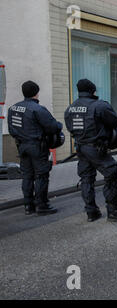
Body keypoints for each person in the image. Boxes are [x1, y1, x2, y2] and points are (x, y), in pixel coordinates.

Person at [64, 79, 117, 222]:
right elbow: (116, 121)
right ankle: (113, 211)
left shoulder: (70, 108)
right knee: (111, 173)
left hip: (81, 148)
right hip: (96, 148)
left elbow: (70, 128)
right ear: (93, 91)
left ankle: (91, 212)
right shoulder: (99, 106)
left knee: (86, 179)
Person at [7, 81, 63, 215]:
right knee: (41, 176)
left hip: (22, 146)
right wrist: (59, 125)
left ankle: (28, 206)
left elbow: (11, 129)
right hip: (37, 146)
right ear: (36, 93)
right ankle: (42, 205)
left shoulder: (13, 108)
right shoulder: (38, 109)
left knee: (27, 176)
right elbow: (52, 127)